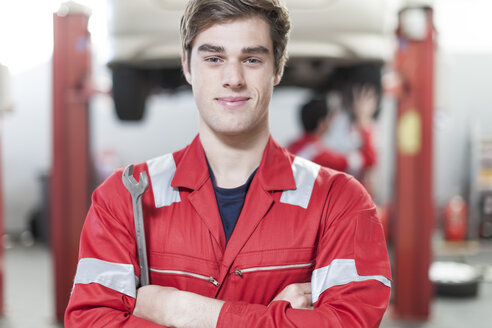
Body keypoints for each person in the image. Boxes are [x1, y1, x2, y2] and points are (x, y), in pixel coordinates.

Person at [65, 1, 391, 327]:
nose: (233, 78)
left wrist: (181, 310)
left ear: (277, 69)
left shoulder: (340, 202)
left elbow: (349, 322)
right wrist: (275, 318)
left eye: (251, 59)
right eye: (213, 59)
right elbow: (90, 321)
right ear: (187, 67)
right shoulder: (125, 197)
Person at [287, 85, 377, 177]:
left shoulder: (291, 146)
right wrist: (363, 121)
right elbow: (368, 160)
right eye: (330, 117)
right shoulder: (318, 154)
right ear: (322, 123)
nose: (333, 121)